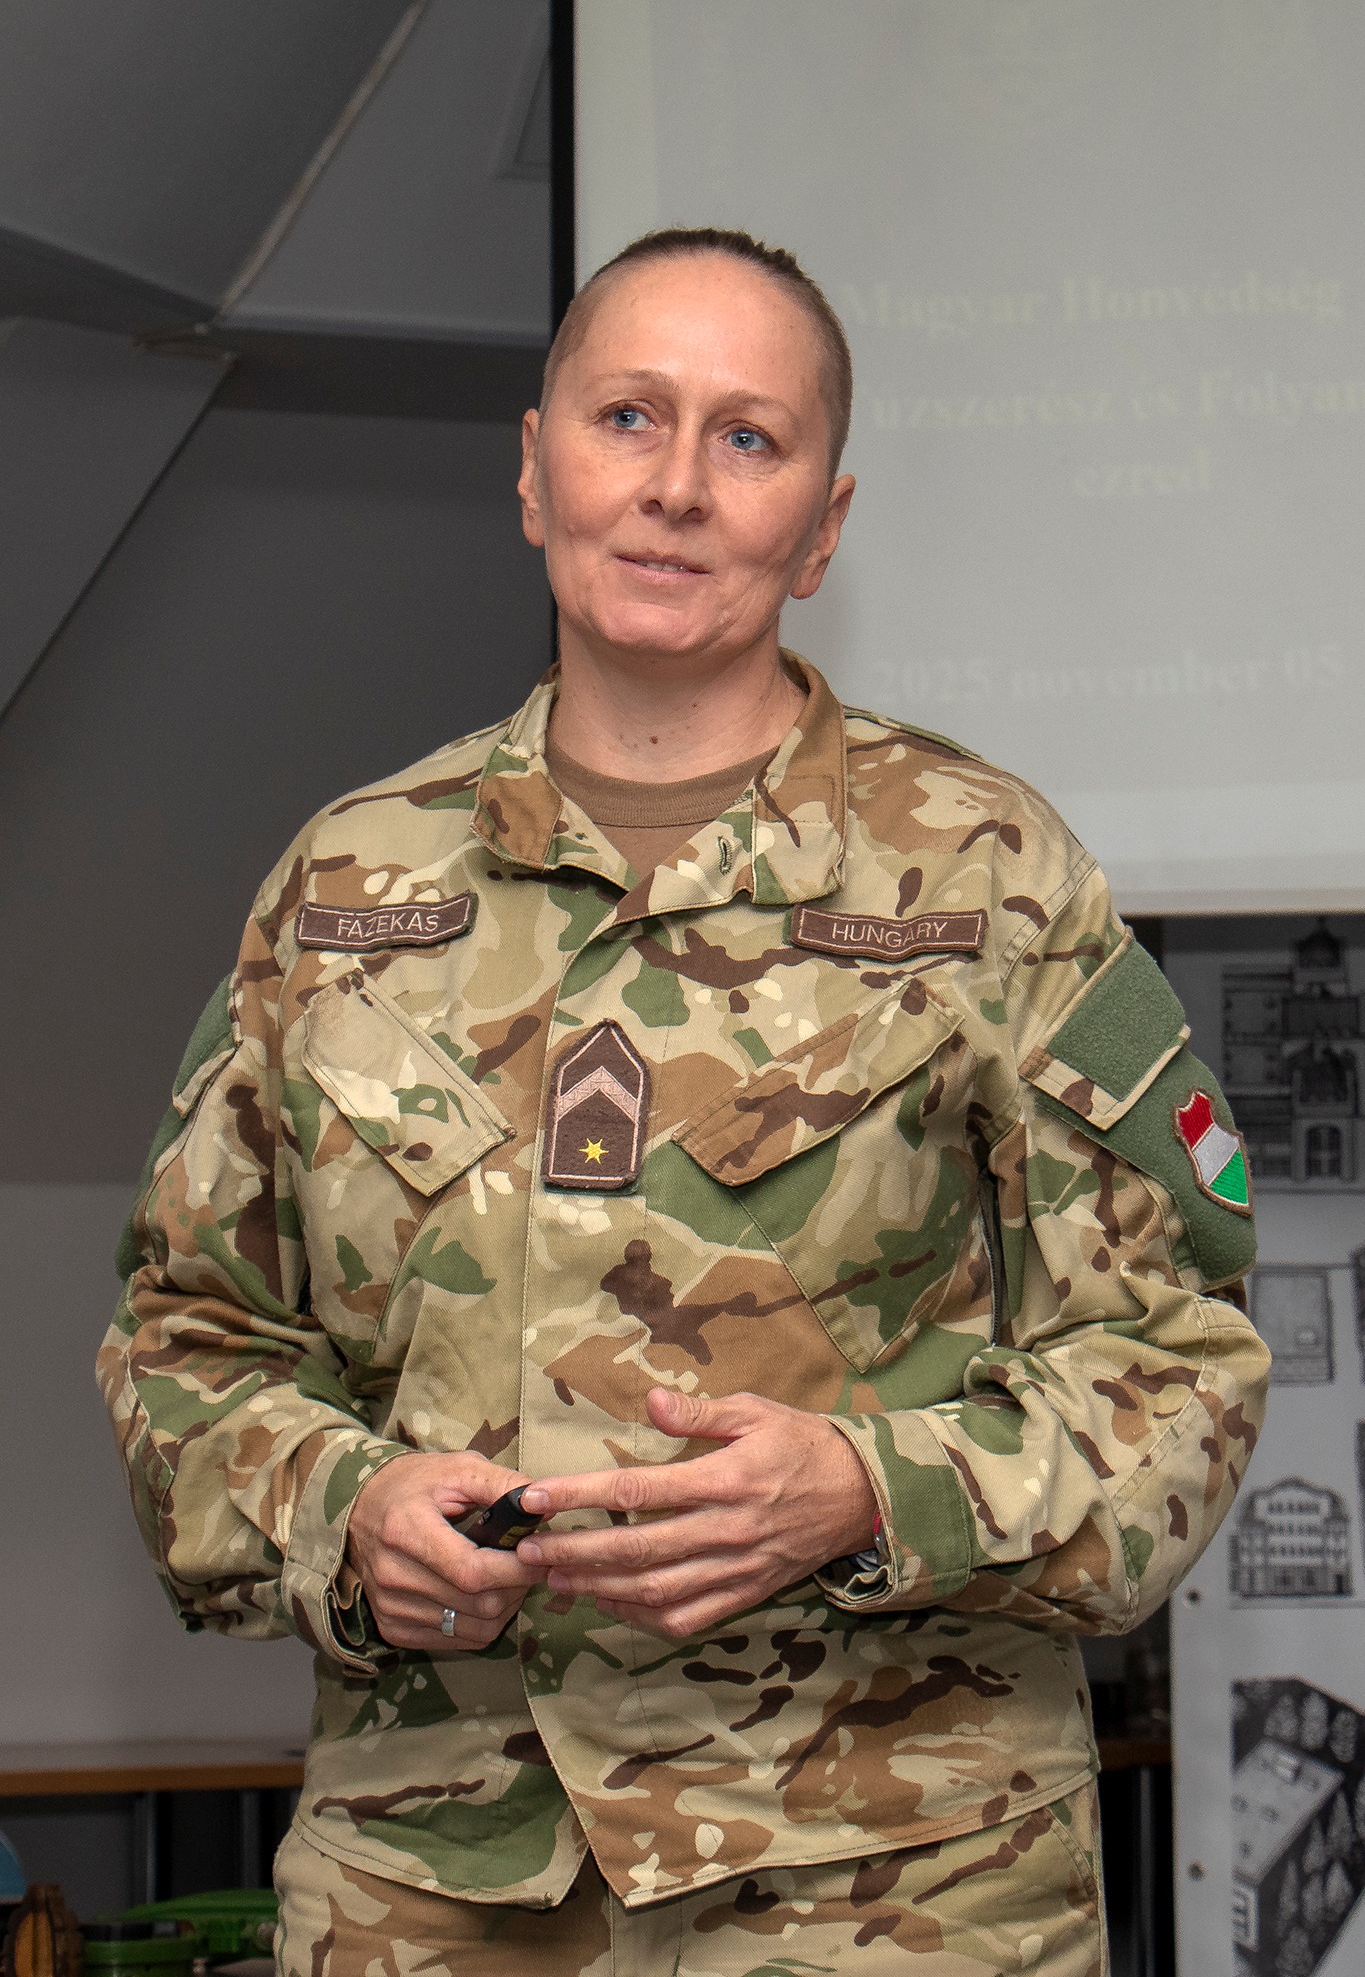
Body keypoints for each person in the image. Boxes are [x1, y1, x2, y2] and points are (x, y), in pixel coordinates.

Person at [100, 227, 1269, 1976]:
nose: (674, 488)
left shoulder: (988, 876)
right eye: (627, 417)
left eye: (747, 437)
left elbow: (1176, 1364)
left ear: (822, 524)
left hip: (896, 1881)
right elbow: (186, 1340)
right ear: (533, 469)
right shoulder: (345, 887)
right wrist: (342, 1514)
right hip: (437, 1878)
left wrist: (872, 1494)